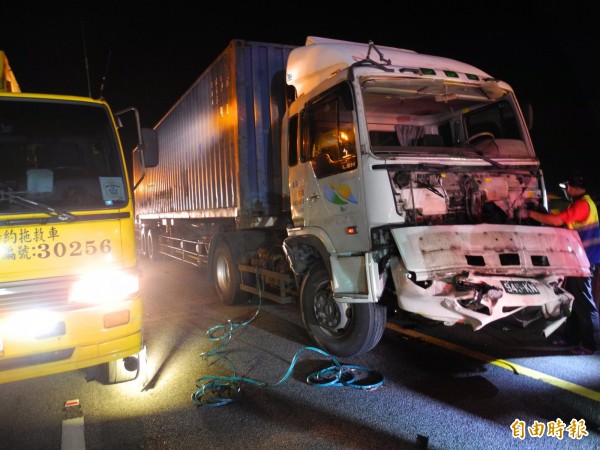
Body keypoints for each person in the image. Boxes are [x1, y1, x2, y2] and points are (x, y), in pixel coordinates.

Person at [528, 175, 600, 355]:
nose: (566, 190)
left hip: (584, 262)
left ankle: (590, 344)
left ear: (576, 187)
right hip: (577, 260)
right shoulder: (581, 204)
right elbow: (562, 222)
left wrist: (529, 214)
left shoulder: (583, 205)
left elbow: (558, 221)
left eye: (567, 186)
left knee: (584, 304)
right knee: (574, 302)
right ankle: (571, 337)